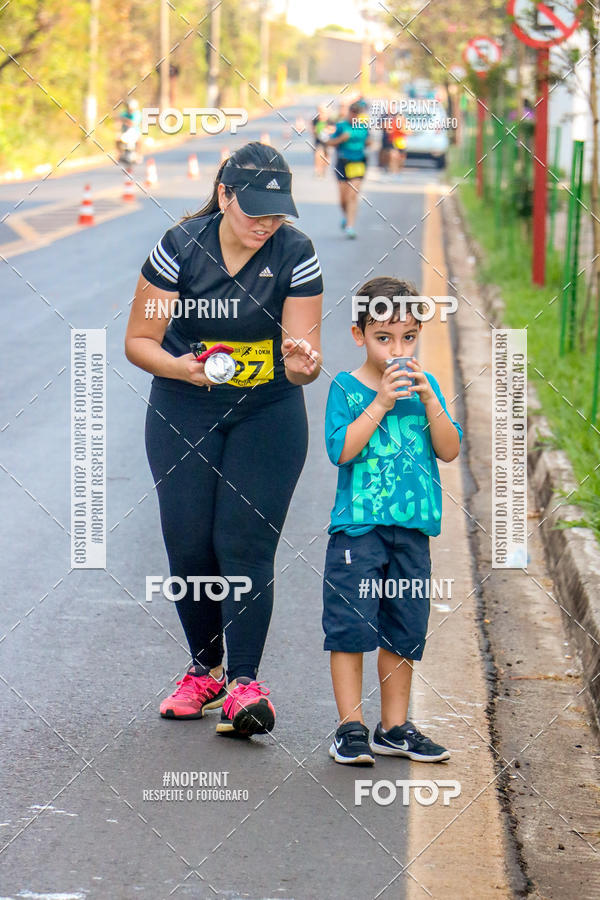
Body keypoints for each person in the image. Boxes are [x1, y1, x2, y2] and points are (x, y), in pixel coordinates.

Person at [125, 142, 323, 738]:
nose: (266, 223)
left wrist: (303, 365)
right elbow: (139, 341)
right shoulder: (178, 247)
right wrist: (181, 368)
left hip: (268, 411)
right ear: (224, 194)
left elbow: (304, 362)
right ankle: (204, 672)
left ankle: (244, 685)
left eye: (277, 212)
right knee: (189, 546)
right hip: (183, 405)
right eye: (254, 210)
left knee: (244, 544)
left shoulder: (296, 253)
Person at [322, 276, 462, 765]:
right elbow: (341, 451)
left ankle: (395, 727)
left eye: (408, 338)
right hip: (358, 531)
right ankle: (350, 727)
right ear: (359, 335)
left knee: (404, 629)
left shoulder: (427, 389)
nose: (397, 350)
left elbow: (449, 449)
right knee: (350, 627)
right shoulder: (346, 388)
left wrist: (430, 401)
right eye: (383, 338)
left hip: (412, 533)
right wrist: (380, 402)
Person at [325, 99, 371, 239]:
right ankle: (346, 217)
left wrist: (368, 142)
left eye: (357, 114)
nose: (354, 116)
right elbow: (329, 142)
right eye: (353, 113)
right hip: (343, 163)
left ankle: (350, 227)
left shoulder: (363, 126)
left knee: (352, 195)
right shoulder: (341, 126)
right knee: (343, 199)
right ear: (349, 113)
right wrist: (341, 139)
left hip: (358, 162)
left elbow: (369, 141)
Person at [311, 104, 336, 177]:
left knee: (327, 156)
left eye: (323, 112)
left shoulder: (330, 121)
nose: (321, 114)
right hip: (319, 141)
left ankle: (324, 169)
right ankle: (318, 170)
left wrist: (328, 130)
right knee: (318, 154)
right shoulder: (315, 120)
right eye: (319, 112)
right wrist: (315, 132)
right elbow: (313, 129)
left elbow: (334, 130)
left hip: (329, 142)